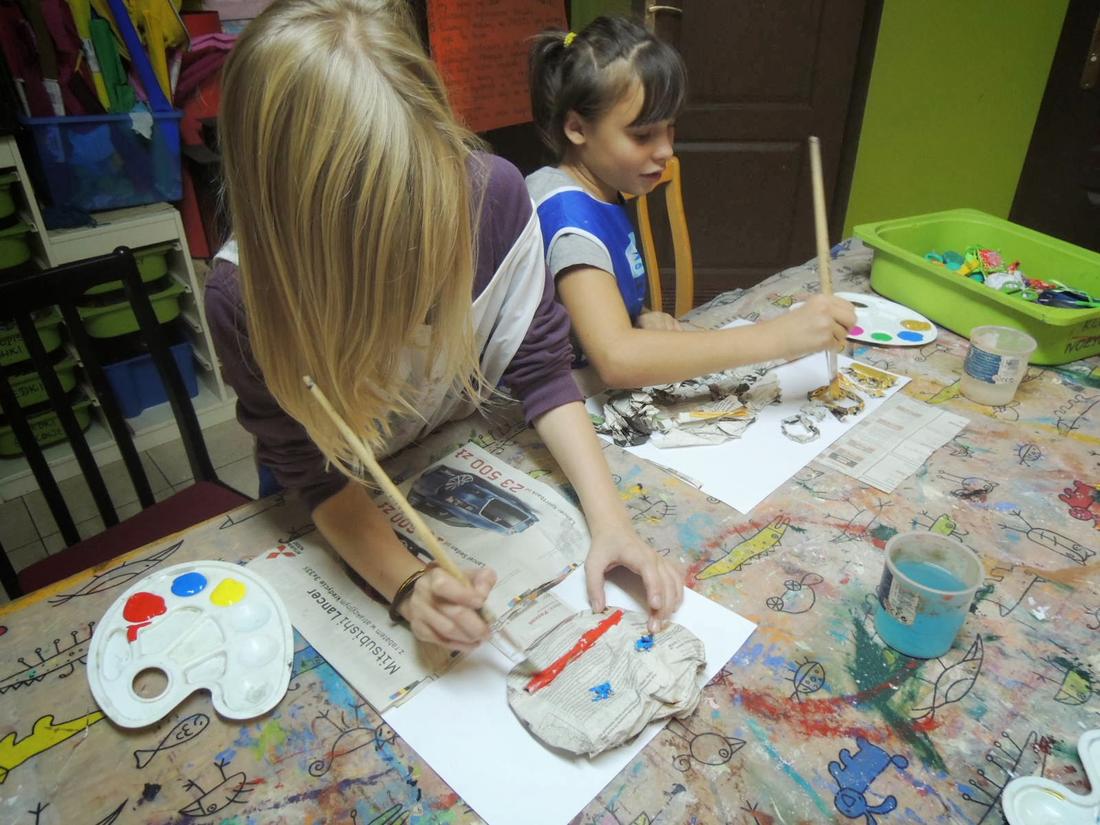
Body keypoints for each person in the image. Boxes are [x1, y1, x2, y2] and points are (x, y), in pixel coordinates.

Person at [205, 0, 682, 652]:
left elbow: (541, 371)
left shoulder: (495, 200)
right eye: (380, 251)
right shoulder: (246, 296)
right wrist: (406, 583)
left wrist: (613, 525)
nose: (415, 271)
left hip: (443, 452)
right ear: (295, 230)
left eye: (427, 214)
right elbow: (312, 473)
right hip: (330, 498)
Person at [526, 17, 856, 390]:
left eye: (670, 128)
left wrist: (638, 316)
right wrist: (777, 338)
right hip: (546, 402)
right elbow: (618, 359)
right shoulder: (567, 218)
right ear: (577, 129)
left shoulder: (600, 187)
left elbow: (585, 302)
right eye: (642, 135)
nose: (666, 150)